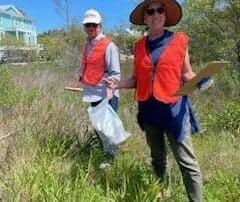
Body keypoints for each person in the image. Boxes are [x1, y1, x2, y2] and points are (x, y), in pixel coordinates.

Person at [105, 0, 206, 201]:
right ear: (145, 19)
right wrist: (117, 84)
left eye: (160, 10)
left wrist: (200, 80)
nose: (156, 14)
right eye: (150, 11)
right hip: (149, 111)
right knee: (158, 158)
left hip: (175, 111)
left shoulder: (180, 40)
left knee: (187, 162)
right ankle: (163, 191)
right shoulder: (139, 46)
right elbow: (136, 79)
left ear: (165, 15)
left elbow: (187, 74)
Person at [71, 9, 121, 164]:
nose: (91, 27)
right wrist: (80, 74)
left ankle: (110, 158)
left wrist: (110, 90)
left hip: (106, 94)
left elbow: (115, 73)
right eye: (88, 25)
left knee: (106, 127)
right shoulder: (87, 45)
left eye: (94, 24)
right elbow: (85, 65)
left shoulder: (109, 45)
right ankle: (107, 151)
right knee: (98, 127)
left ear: (100, 25)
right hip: (92, 93)